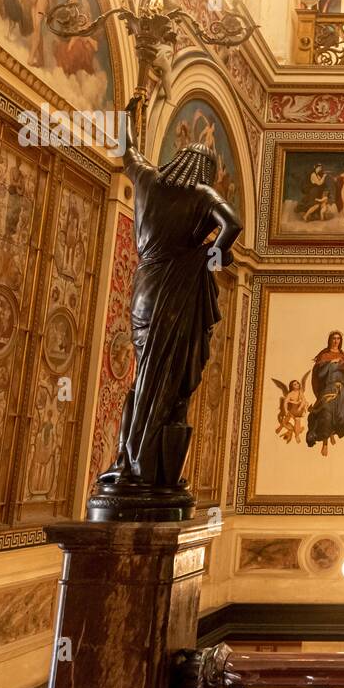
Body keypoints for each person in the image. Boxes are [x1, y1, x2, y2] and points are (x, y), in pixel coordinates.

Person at [98, 95, 241, 493]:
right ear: (205, 172)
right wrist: (212, 254)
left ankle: (132, 462)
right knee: (173, 381)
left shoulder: (147, 179)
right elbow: (233, 223)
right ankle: (147, 469)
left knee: (146, 372)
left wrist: (127, 115)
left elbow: (125, 149)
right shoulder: (202, 195)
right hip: (176, 294)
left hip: (145, 289)